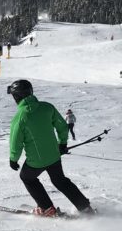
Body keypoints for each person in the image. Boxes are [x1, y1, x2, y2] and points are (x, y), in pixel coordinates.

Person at [6, 80, 93, 216]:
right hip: (54, 155)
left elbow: (16, 142)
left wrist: (13, 159)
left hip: (36, 161)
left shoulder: (20, 117)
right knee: (60, 180)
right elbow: (62, 126)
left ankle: (47, 208)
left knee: (27, 178)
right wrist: (62, 144)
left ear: (16, 97)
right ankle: (85, 207)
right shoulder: (47, 107)